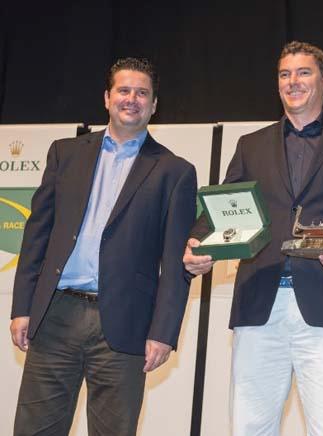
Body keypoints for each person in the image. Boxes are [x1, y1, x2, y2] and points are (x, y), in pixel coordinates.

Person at [183, 41, 323, 436]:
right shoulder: (251, 144)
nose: (293, 81)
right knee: (249, 426)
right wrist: (198, 243)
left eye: (303, 72)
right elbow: (225, 206)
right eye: (285, 74)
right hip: (258, 304)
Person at [9, 57, 197, 436]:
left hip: (127, 324)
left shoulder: (175, 171)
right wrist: (22, 307)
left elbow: (177, 261)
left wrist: (163, 331)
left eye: (142, 93)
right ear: (107, 97)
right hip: (55, 315)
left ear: (154, 104)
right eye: (124, 90)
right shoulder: (65, 153)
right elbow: (37, 236)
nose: (132, 99)